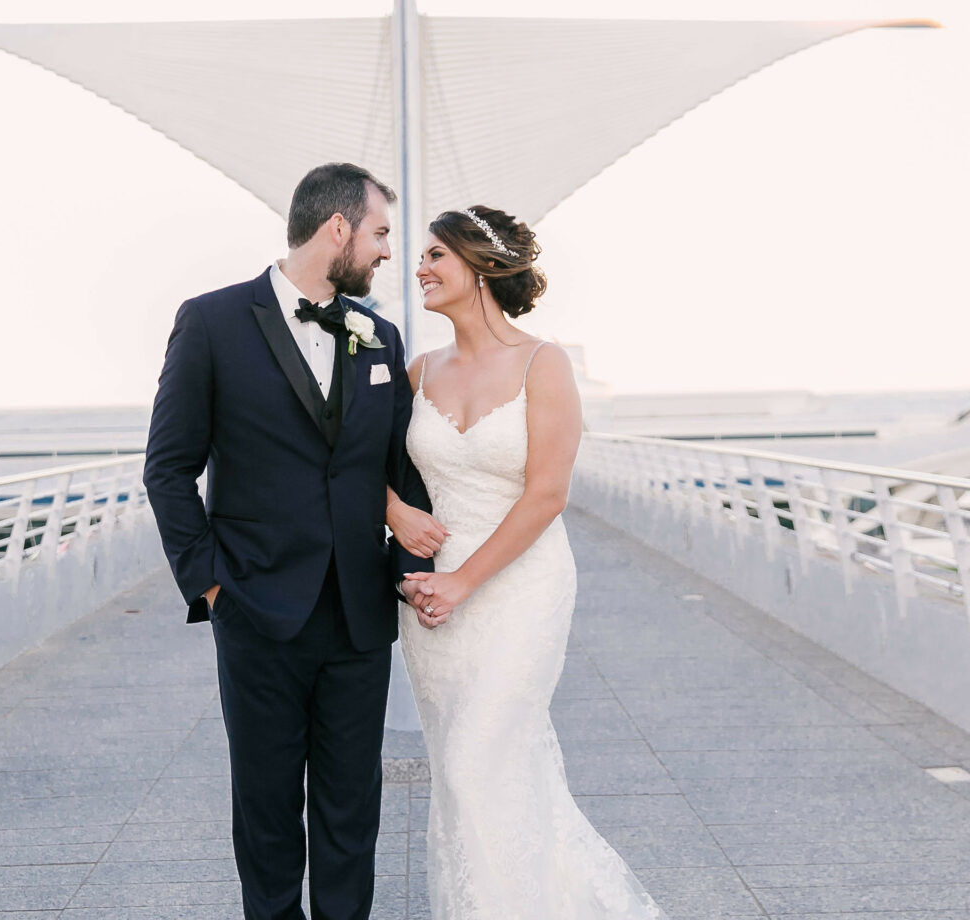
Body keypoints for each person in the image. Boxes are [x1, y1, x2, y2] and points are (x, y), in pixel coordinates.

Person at [142, 162, 434, 920]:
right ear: (337, 228)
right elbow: (169, 470)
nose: (384, 253)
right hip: (256, 609)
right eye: (378, 233)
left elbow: (400, 464)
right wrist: (210, 586)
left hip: (358, 618)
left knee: (351, 815)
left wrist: (409, 567)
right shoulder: (210, 323)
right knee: (267, 816)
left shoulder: (381, 336)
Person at [392, 206, 668, 918]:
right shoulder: (418, 371)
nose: (418, 267)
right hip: (434, 608)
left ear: (480, 268)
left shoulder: (545, 364)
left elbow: (547, 493)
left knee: (475, 759)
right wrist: (396, 515)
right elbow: (365, 465)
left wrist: (462, 580)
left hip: (518, 589)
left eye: (434, 256)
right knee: (470, 777)